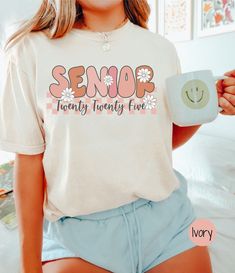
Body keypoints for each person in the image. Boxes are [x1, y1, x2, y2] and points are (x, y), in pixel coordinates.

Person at [0, 1, 234, 273]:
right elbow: (28, 162)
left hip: (169, 222)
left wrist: (211, 104)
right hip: (78, 233)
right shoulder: (30, 50)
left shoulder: (161, 50)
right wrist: (31, 267)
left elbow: (157, 143)